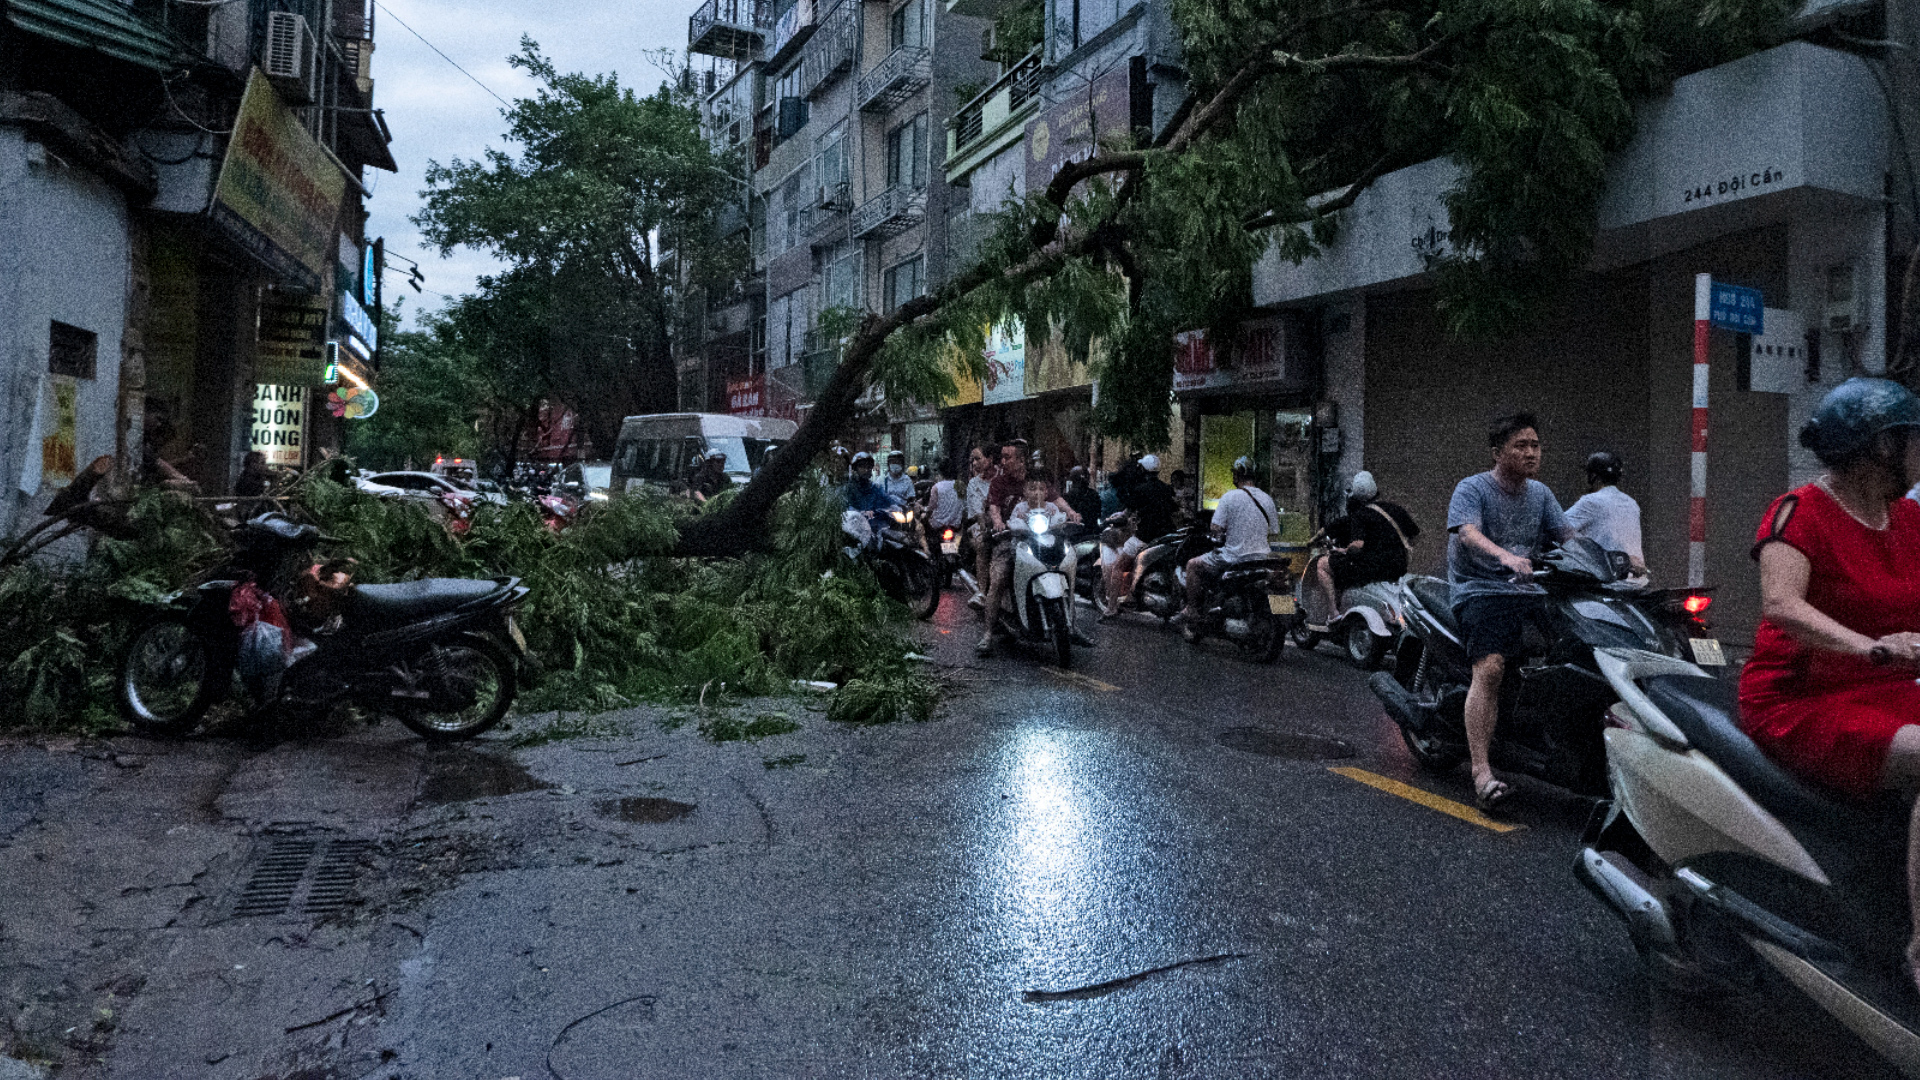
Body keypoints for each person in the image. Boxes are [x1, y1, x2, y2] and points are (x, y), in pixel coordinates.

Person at [1735, 378, 1920, 990]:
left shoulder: (1909, 518)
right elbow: (1781, 605)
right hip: (1803, 696)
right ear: (1880, 448)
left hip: (1886, 686)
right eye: (1912, 439)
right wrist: (1871, 647)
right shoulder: (1799, 511)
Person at [1446, 412, 1575, 811]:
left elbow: (1570, 537)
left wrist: (1617, 562)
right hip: (1480, 590)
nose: (1531, 453)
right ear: (1498, 452)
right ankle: (1482, 771)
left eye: (1535, 445)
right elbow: (1467, 533)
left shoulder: (1541, 494)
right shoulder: (1472, 488)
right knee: (1491, 667)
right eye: (1521, 445)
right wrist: (1506, 557)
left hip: (1529, 591)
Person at [979, 440, 1080, 655]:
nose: (1003, 462)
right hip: (1009, 537)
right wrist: (998, 522)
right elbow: (994, 508)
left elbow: (1057, 500)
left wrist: (1071, 513)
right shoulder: (998, 482)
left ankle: (1072, 625)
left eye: (1008, 457)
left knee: (1067, 570)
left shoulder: (1036, 480)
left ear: (1022, 460)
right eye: (1002, 457)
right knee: (998, 578)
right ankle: (987, 634)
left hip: (1042, 537)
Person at [1172, 456, 1277, 642]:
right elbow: (1274, 532)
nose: (1233, 477)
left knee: (1192, 565)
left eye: (1234, 473)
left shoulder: (1230, 497)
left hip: (1233, 557)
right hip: (1262, 557)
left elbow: (1216, 528)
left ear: (1239, 474)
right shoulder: (1267, 498)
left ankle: (1193, 610)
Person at [1308, 471, 1420, 631]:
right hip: (1398, 567)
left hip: (1370, 569)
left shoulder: (1360, 515)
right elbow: (1414, 536)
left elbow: (1357, 546)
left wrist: (1344, 550)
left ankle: (1333, 614)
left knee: (1322, 564)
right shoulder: (1396, 509)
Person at [1565, 451, 1646, 578]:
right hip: (1637, 581)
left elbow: (1557, 527)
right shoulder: (1632, 503)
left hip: (1607, 584)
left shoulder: (1591, 501)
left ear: (1593, 477)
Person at [964, 445, 997, 609]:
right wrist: (986, 529)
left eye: (978, 458)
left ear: (990, 459)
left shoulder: (1002, 478)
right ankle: (982, 593)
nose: (975, 463)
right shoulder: (973, 484)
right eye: (973, 460)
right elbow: (978, 513)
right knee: (983, 546)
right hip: (979, 526)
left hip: (1003, 525)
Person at [1122, 453, 1178, 544]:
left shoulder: (1139, 490)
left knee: (1124, 555)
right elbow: (1174, 510)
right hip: (1166, 533)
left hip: (1146, 534)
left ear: (1143, 469)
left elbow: (1128, 511)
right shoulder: (1166, 488)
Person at [841, 451, 899, 516]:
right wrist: (861, 513)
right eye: (862, 467)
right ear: (855, 469)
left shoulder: (875, 487)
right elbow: (846, 507)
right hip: (856, 523)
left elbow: (887, 500)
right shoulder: (848, 488)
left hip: (875, 523)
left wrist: (896, 506)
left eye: (868, 467)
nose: (866, 470)